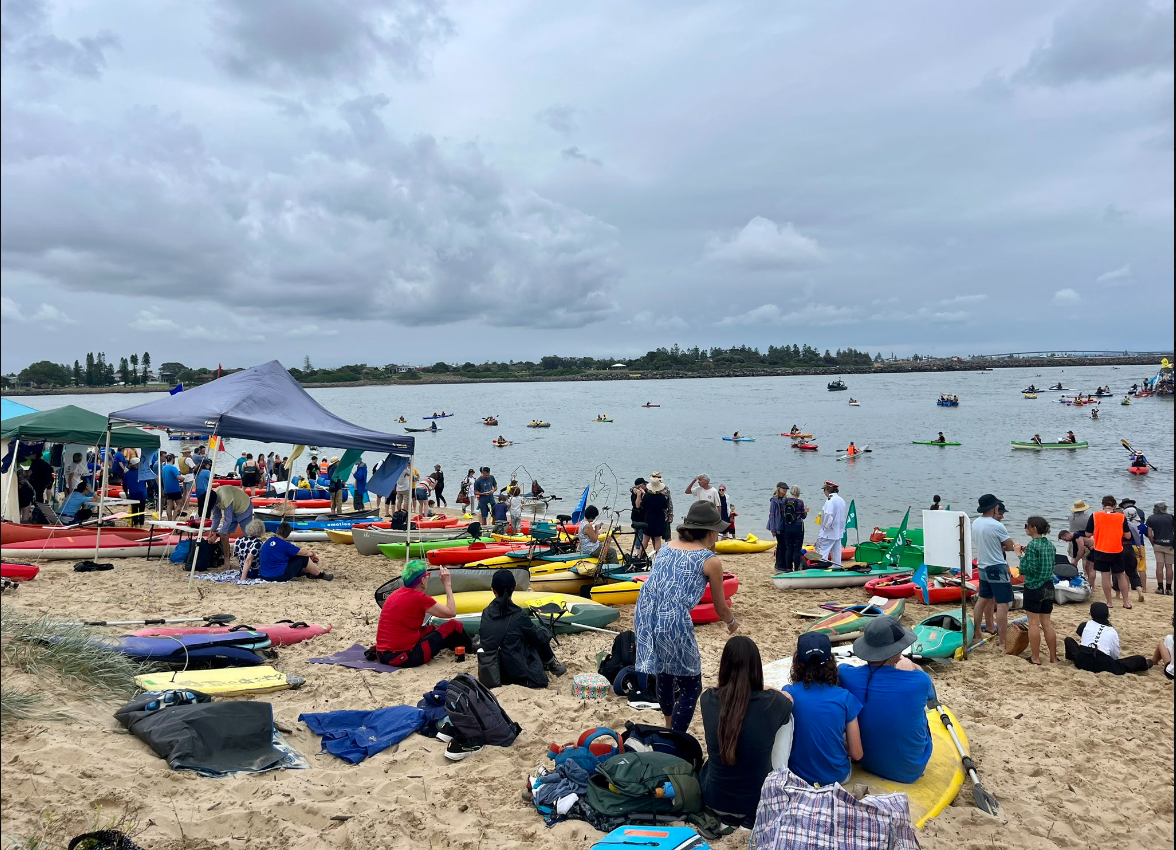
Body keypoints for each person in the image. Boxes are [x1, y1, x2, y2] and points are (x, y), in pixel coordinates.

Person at [634, 502, 737, 732]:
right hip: (672, 617)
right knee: (691, 683)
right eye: (717, 531)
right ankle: (675, 738)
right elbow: (720, 607)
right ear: (710, 532)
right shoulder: (710, 560)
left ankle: (668, 725)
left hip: (646, 610)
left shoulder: (668, 546)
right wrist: (731, 622)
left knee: (664, 671)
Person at [700, 636, 794, 827]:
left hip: (715, 801)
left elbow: (721, 689)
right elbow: (789, 699)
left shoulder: (707, 700)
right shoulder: (773, 702)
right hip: (757, 804)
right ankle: (780, 772)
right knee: (788, 718)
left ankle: (730, 816)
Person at [840, 617, 936, 783]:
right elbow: (931, 698)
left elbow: (845, 670)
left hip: (865, 760)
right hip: (910, 768)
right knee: (919, 712)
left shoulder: (845, 674)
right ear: (897, 651)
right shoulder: (920, 680)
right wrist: (912, 666)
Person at [783, 633, 863, 787]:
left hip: (798, 777)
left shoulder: (788, 693)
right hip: (837, 778)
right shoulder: (845, 697)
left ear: (797, 662)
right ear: (831, 662)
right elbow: (857, 754)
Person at [371, 560, 471, 667]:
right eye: (427, 575)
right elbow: (451, 612)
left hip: (382, 654)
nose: (428, 577)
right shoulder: (420, 598)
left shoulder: (395, 594)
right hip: (405, 657)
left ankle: (459, 643)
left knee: (432, 628)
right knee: (454, 625)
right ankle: (472, 648)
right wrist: (447, 584)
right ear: (423, 580)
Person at [478, 569, 566, 688]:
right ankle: (552, 665)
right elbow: (537, 637)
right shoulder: (518, 615)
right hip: (513, 672)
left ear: (493, 590)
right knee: (538, 635)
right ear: (514, 587)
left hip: (492, 668)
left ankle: (551, 665)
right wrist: (547, 632)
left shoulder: (486, 613)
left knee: (524, 635)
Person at [973, 494, 1021, 646]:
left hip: (982, 565)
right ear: (994, 507)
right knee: (1003, 604)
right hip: (996, 566)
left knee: (982, 600)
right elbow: (1011, 545)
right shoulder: (997, 525)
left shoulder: (976, 522)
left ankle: (977, 632)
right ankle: (1002, 640)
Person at [1063, 603, 1152, 674]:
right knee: (1139, 659)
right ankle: (1146, 665)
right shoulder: (1112, 631)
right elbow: (1114, 656)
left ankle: (1070, 660)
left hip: (1081, 660)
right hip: (1102, 664)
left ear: (1091, 614)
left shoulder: (1085, 625)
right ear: (1108, 615)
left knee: (1068, 640)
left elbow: (1082, 636)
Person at [1020, 516, 1059, 665]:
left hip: (1034, 586)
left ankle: (1035, 657)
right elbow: (1044, 563)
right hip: (1048, 586)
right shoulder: (1050, 545)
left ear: (1033, 528)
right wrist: (1027, 553)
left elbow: (1027, 569)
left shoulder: (1033, 546)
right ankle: (1053, 657)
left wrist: (1019, 555)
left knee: (1034, 624)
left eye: (1026, 525)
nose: (1025, 528)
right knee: (1047, 623)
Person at [1086, 496, 1133, 609]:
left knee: (1105, 576)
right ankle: (1126, 602)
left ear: (1103, 505)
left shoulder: (1095, 515)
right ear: (1115, 506)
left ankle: (1109, 602)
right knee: (1121, 575)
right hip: (1117, 549)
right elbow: (1128, 535)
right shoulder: (1121, 517)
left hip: (1101, 549)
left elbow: (1087, 534)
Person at [259, 522, 331, 581]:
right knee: (304, 558)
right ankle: (320, 575)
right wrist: (312, 553)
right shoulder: (285, 545)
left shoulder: (269, 540)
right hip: (277, 576)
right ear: (288, 534)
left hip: (264, 574)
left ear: (277, 530)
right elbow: (304, 553)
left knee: (294, 557)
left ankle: (308, 572)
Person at [207, 485, 255, 564]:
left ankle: (251, 560)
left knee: (248, 536)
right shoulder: (211, 499)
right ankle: (227, 562)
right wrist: (211, 531)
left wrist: (216, 535)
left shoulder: (225, 497)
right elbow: (216, 517)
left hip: (244, 506)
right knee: (224, 536)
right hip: (233, 510)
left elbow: (228, 520)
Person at [814, 481, 847, 566]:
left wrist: (824, 528)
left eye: (824, 490)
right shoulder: (841, 500)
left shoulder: (830, 500)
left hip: (829, 532)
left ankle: (822, 568)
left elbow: (829, 515)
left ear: (827, 490)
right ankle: (837, 567)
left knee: (821, 551)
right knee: (836, 552)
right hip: (838, 531)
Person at [1120, 499, 1147, 598]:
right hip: (1137, 546)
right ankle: (1142, 589)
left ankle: (1126, 587)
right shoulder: (1138, 525)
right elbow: (1142, 536)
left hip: (1123, 547)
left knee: (1123, 571)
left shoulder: (1121, 524)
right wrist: (1140, 550)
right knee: (1139, 569)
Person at [1146, 502, 1173, 596]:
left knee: (1159, 566)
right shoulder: (1171, 517)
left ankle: (1160, 588)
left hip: (1158, 544)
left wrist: (1153, 544)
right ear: (1165, 508)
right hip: (1170, 545)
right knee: (1169, 567)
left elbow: (1149, 534)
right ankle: (1169, 589)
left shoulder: (1151, 518)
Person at [639, 476, 669, 552]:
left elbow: (642, 506)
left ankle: (640, 555)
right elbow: (665, 506)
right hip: (659, 518)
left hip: (648, 517)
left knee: (645, 538)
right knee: (657, 538)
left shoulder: (647, 496)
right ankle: (657, 557)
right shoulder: (662, 497)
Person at [161, 454, 184, 521]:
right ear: (172, 459)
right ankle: (174, 519)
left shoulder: (164, 467)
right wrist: (183, 478)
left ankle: (169, 520)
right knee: (180, 503)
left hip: (167, 489)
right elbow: (179, 477)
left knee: (169, 505)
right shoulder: (173, 468)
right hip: (175, 489)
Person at [630, 478, 648, 556]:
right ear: (641, 485)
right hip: (637, 516)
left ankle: (640, 551)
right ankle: (638, 552)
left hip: (643, 516)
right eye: (644, 484)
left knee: (642, 535)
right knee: (639, 534)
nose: (646, 485)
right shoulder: (635, 494)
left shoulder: (646, 492)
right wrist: (639, 495)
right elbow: (637, 506)